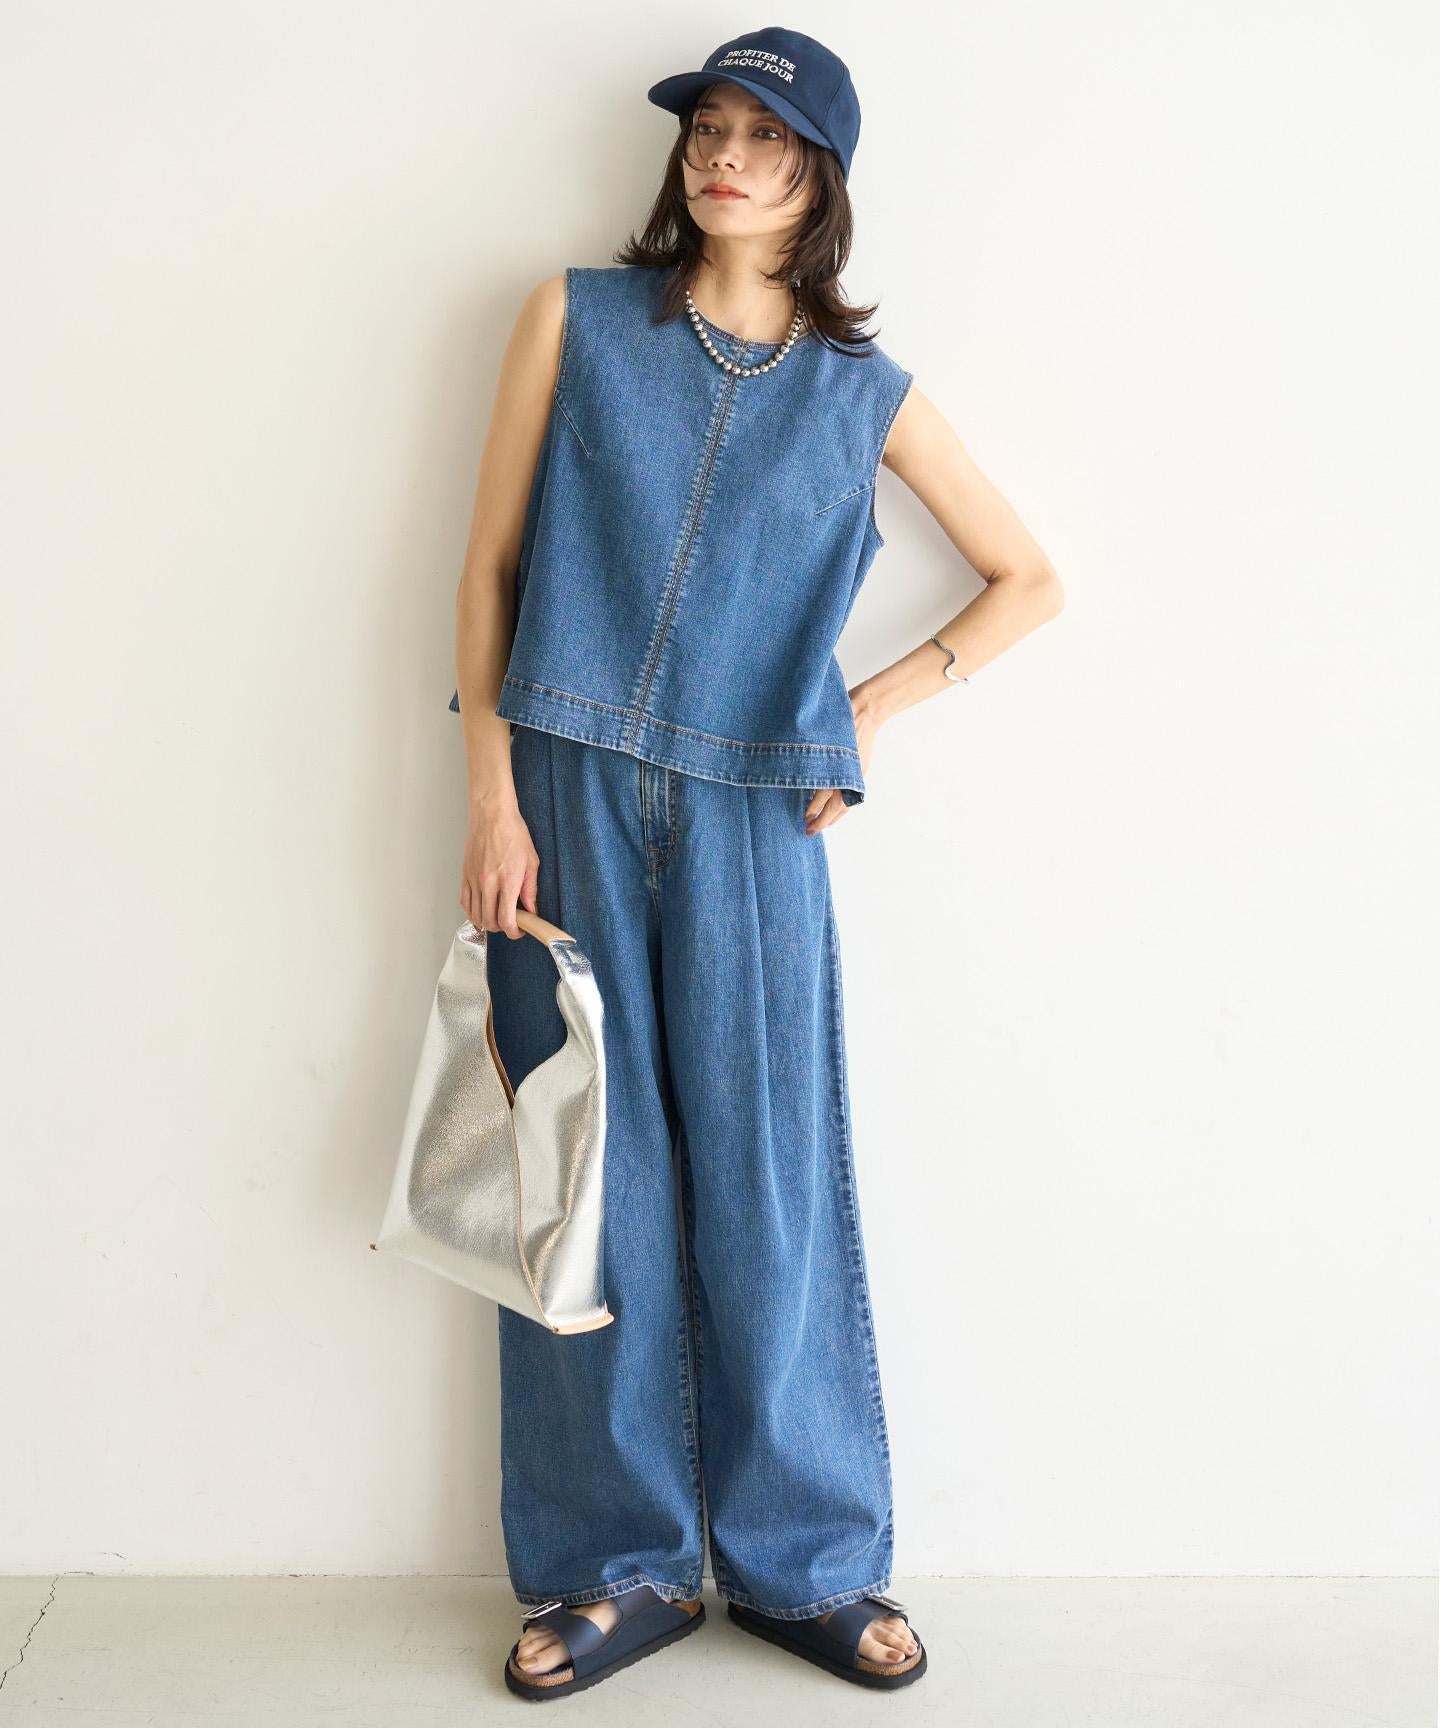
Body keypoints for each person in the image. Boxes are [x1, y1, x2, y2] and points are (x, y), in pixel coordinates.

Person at [447, 27, 1064, 1701]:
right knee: (585, 1179)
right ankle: (616, 1566)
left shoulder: (866, 395)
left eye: (767, 139)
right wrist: (491, 794)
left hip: (756, 815)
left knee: (773, 1180)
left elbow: (1026, 579)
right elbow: (489, 568)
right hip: (563, 786)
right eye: (709, 129)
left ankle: (808, 1563)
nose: (725, 158)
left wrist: (865, 713)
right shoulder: (574, 317)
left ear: (820, 178)